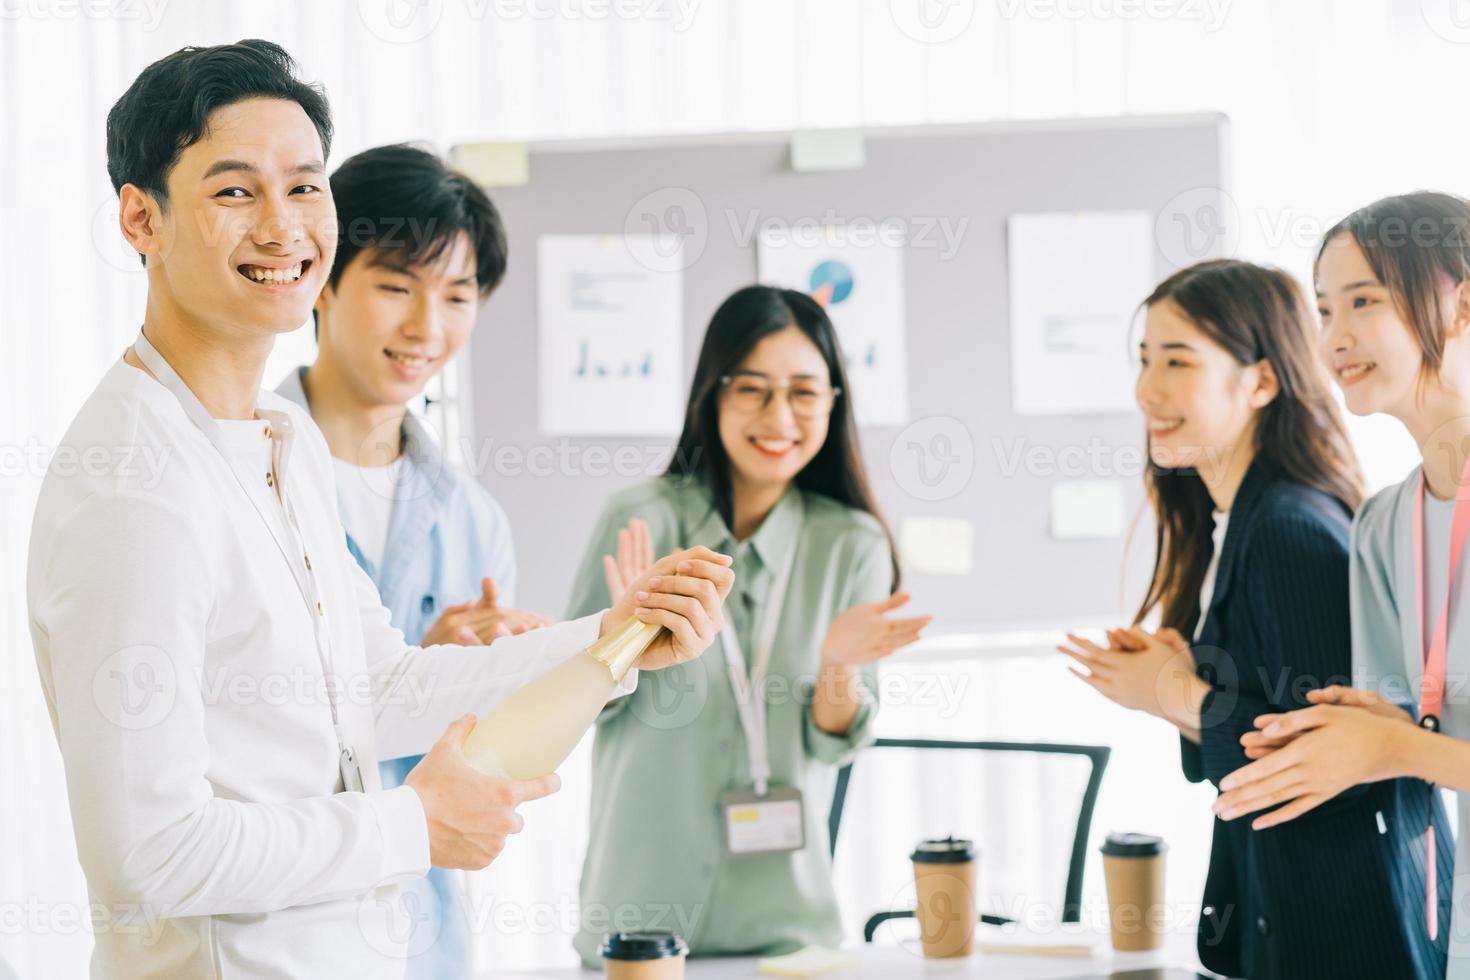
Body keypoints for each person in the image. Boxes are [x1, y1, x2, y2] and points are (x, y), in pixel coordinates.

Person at [26, 39, 733, 978]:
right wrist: (413, 824)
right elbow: (147, 858)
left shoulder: (279, 437)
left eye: (306, 187)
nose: (283, 227)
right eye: (235, 192)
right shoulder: (132, 481)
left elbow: (383, 688)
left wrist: (615, 637)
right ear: (140, 219)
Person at [1059, 258, 1446, 978]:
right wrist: (1185, 678)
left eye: (1178, 361)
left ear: (1262, 381)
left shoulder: (1286, 528)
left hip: (1349, 927)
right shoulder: (1235, 521)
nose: (1149, 389)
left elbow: (1344, 767)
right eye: (1144, 359)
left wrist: (1173, 694)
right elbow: (1274, 715)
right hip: (1301, 914)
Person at [565, 285, 932, 964]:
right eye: (753, 390)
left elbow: (834, 746)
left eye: (804, 392)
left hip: (785, 920)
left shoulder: (852, 544)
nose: (779, 417)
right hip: (640, 909)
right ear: (714, 392)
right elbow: (569, 711)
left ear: (833, 403)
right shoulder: (639, 519)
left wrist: (839, 665)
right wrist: (614, 650)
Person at [275, 141, 551, 977]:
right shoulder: (241, 474)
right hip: (284, 921)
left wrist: (502, 683)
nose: (427, 328)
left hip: (423, 930)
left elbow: (493, 764)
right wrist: (412, 675)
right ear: (321, 279)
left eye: (458, 296)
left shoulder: (474, 520)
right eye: (396, 285)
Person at [1215, 192, 1470, 977]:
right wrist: (1328, 737)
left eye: (1364, 301)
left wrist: (1389, 744)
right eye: (1324, 309)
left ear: (1462, 305)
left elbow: (1408, 746)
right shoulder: (1384, 523)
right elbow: (1412, 733)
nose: (1335, 338)